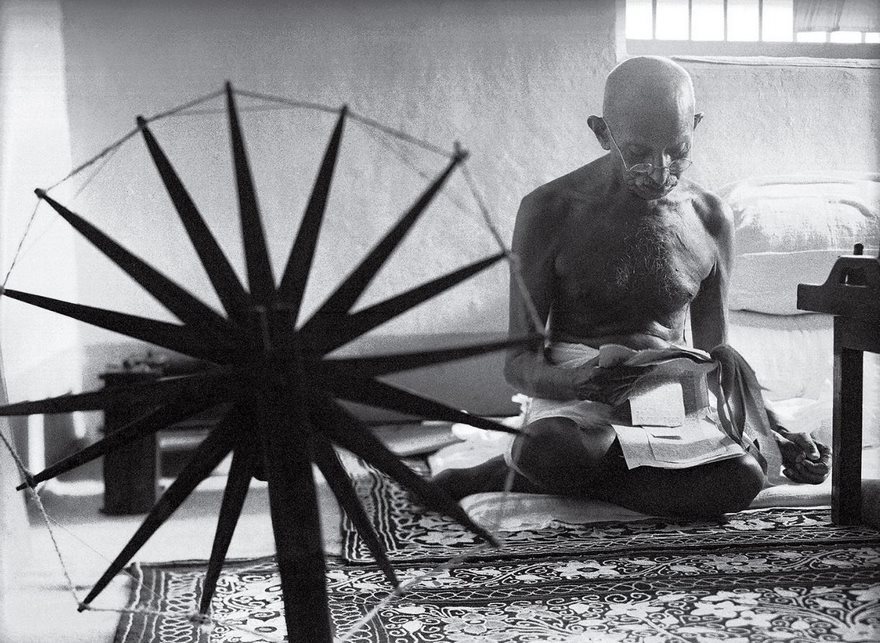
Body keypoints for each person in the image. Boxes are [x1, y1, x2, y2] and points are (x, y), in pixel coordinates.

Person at [433, 56, 830, 518]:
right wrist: (573, 382)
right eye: (638, 151)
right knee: (551, 448)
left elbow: (718, 354)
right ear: (603, 133)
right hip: (580, 401)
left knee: (746, 476)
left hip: (672, 401)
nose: (660, 170)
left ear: (695, 126)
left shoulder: (711, 218)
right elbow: (518, 363)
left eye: (678, 149)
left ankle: (521, 473)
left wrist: (773, 428)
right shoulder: (549, 211)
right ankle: (553, 467)